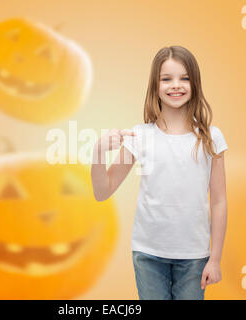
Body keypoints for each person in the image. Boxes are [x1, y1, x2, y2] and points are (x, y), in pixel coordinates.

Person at [91, 46, 228, 300]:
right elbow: (102, 191)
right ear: (155, 85)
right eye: (166, 79)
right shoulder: (140, 136)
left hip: (194, 257)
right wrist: (98, 152)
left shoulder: (210, 137)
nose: (176, 85)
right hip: (148, 255)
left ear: (195, 83)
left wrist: (215, 259)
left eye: (184, 78)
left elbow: (219, 201)